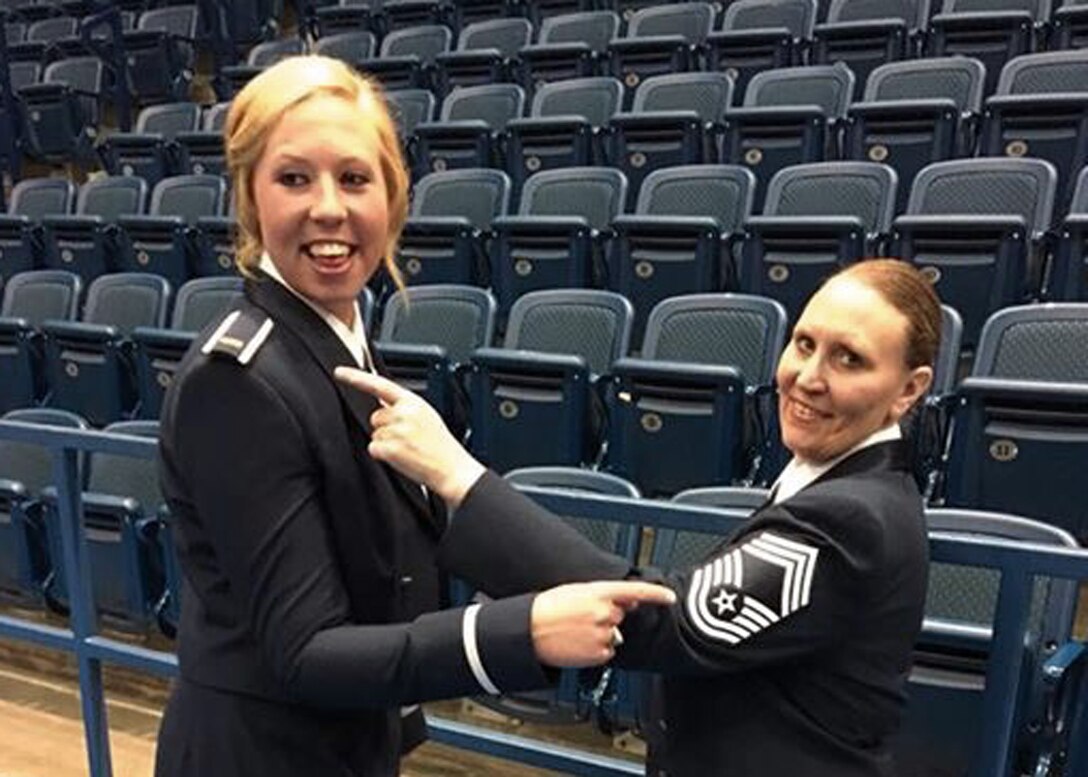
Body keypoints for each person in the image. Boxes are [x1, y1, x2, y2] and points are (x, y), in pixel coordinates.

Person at [154, 55, 675, 777]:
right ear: (250, 199)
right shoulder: (238, 382)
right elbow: (305, 652)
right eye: (294, 178)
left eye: (356, 178)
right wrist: (518, 631)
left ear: (394, 199)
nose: (329, 207)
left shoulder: (340, 342)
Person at [336, 258, 940, 776]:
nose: (808, 378)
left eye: (849, 360)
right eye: (804, 344)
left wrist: (458, 478)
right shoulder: (837, 485)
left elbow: (664, 626)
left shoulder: (853, 518)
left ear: (909, 390)